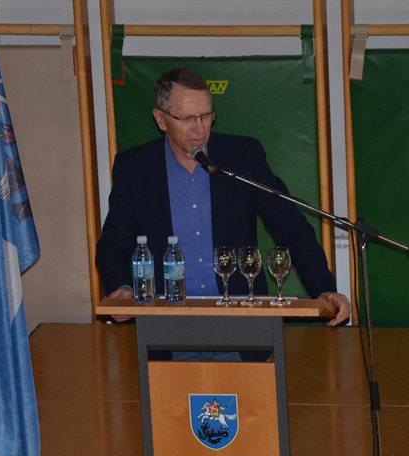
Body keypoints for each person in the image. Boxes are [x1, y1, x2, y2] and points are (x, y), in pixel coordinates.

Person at [95, 67, 351, 326]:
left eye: (206, 116)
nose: (200, 128)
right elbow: (112, 245)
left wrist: (323, 288)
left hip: (241, 318)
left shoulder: (242, 157)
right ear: (161, 119)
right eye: (187, 118)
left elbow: (290, 226)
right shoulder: (135, 168)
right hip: (163, 322)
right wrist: (121, 288)